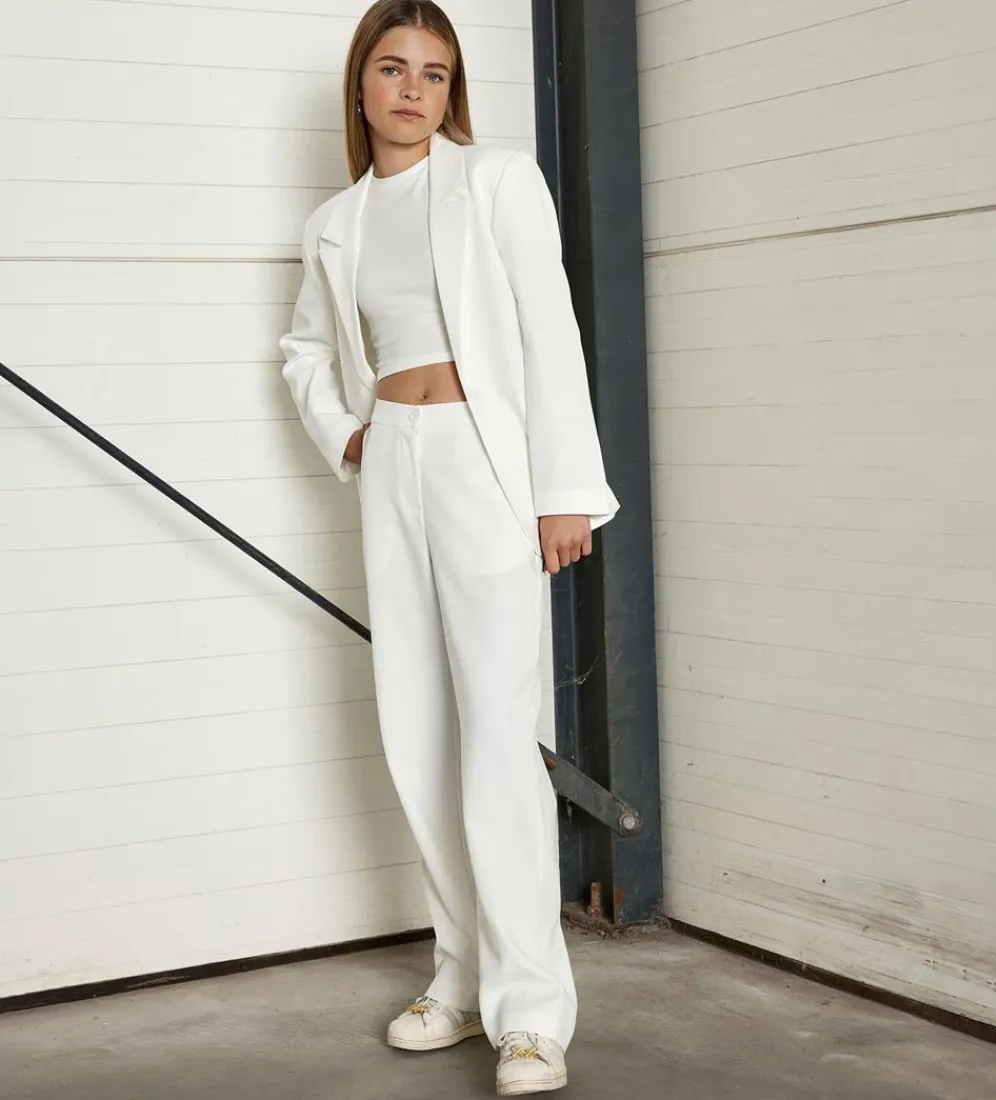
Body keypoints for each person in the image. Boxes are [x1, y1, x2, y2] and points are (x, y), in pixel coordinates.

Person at [280, 1, 618, 1094]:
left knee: (497, 735)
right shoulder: (335, 220)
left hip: (485, 458)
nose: (413, 89)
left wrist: (564, 491)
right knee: (415, 727)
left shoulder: (497, 181)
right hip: (394, 462)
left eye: (434, 72)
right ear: (361, 84)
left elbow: (550, 330)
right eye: (393, 68)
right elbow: (304, 349)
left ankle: (531, 1014)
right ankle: (462, 976)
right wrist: (347, 432)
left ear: (452, 90)